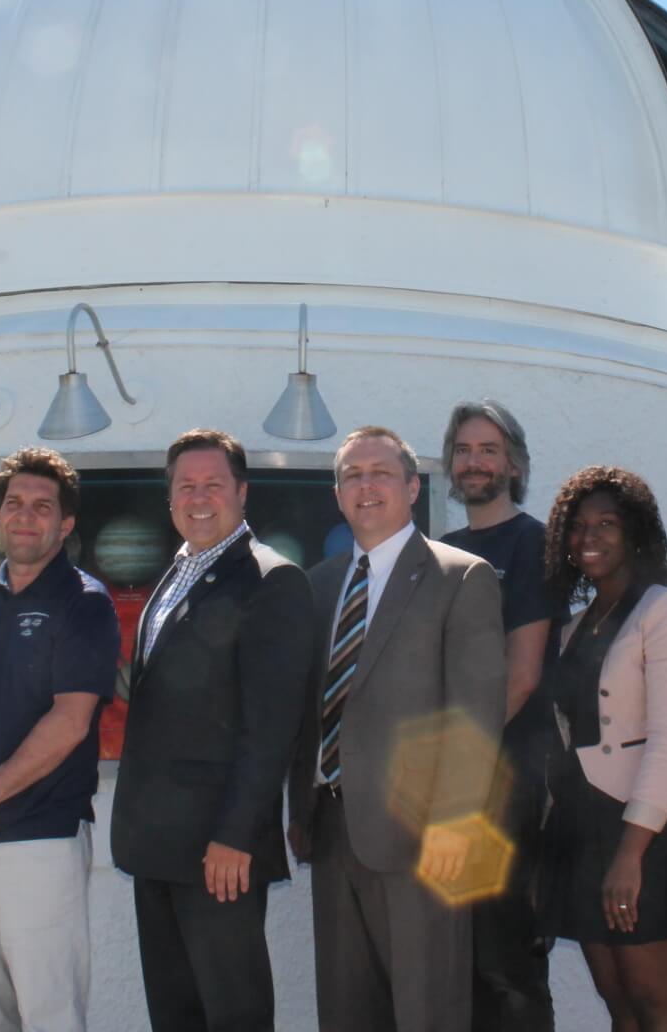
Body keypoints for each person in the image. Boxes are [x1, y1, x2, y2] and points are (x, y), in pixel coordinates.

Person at [287, 426, 507, 1032]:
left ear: (413, 487)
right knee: (346, 1012)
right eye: (352, 475)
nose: (366, 485)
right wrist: (299, 809)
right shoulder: (318, 585)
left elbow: (476, 713)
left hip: (423, 843)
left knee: (427, 1012)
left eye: (380, 472)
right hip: (332, 832)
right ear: (337, 494)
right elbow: (311, 707)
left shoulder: (461, 577)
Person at [110, 429, 317, 1032]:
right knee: (176, 1015)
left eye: (214, 485)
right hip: (156, 845)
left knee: (234, 1014)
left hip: (216, 850)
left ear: (243, 493)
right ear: (170, 497)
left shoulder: (271, 580)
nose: (199, 498)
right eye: (186, 486)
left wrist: (235, 836)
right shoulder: (173, 574)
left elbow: (271, 727)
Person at [0, 448, 121, 1032]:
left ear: (65, 524)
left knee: (49, 1010)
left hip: (43, 836)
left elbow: (70, 722)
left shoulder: (84, 602)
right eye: (15, 504)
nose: (26, 517)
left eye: (43, 507)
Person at [540, 466, 667, 1032]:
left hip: (645, 827)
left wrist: (631, 853)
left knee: (654, 1003)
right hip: (581, 830)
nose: (590, 537)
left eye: (606, 523)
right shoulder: (574, 626)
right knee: (618, 1004)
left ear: (634, 532)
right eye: (578, 526)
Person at [439, 399, 560, 1031]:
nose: (475, 462)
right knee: (456, 965)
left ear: (512, 463)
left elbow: (524, 674)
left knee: (507, 964)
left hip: (508, 784)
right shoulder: (440, 550)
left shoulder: (534, 543)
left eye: (488, 450)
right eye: (463, 450)